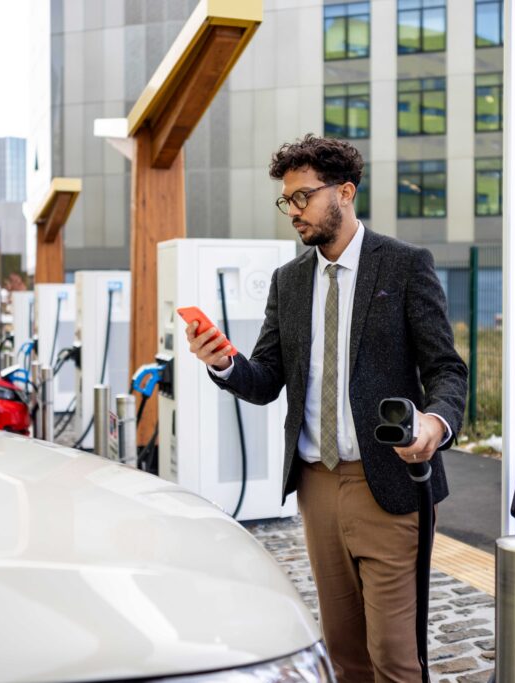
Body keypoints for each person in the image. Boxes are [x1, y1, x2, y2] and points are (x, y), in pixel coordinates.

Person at [184, 134, 468, 682]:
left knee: (395, 658)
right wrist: (222, 362)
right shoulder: (289, 283)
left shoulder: (405, 266)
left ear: (345, 191)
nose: (293, 211)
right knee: (344, 654)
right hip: (316, 486)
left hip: (389, 483)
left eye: (303, 197)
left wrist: (436, 421)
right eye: (286, 201)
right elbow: (267, 380)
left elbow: (446, 369)